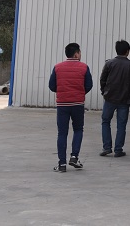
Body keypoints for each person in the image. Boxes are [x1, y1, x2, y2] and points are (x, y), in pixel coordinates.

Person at [49, 42, 93, 173]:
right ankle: (74, 157)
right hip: (78, 104)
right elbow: (89, 85)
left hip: (62, 104)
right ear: (76, 54)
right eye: (79, 52)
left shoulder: (57, 67)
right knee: (78, 129)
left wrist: (63, 92)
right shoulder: (84, 67)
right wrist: (79, 93)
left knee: (62, 133)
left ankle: (62, 163)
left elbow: (52, 86)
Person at [99, 39, 130, 157]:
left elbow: (103, 79)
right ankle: (118, 149)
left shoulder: (109, 63)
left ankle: (107, 147)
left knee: (105, 121)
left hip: (110, 98)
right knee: (121, 125)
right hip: (125, 99)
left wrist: (104, 92)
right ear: (127, 51)